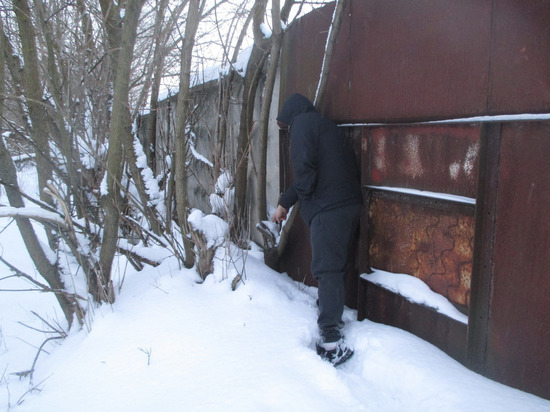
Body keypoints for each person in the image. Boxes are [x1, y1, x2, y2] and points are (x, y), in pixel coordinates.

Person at [272, 93, 362, 366]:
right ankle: (331, 315)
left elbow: (305, 174)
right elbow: (313, 172)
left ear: (290, 117)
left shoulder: (301, 127)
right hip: (348, 204)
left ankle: (331, 340)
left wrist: (296, 199)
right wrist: (285, 201)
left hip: (328, 207)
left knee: (327, 269)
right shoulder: (323, 125)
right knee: (334, 267)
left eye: (284, 127)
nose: (287, 131)